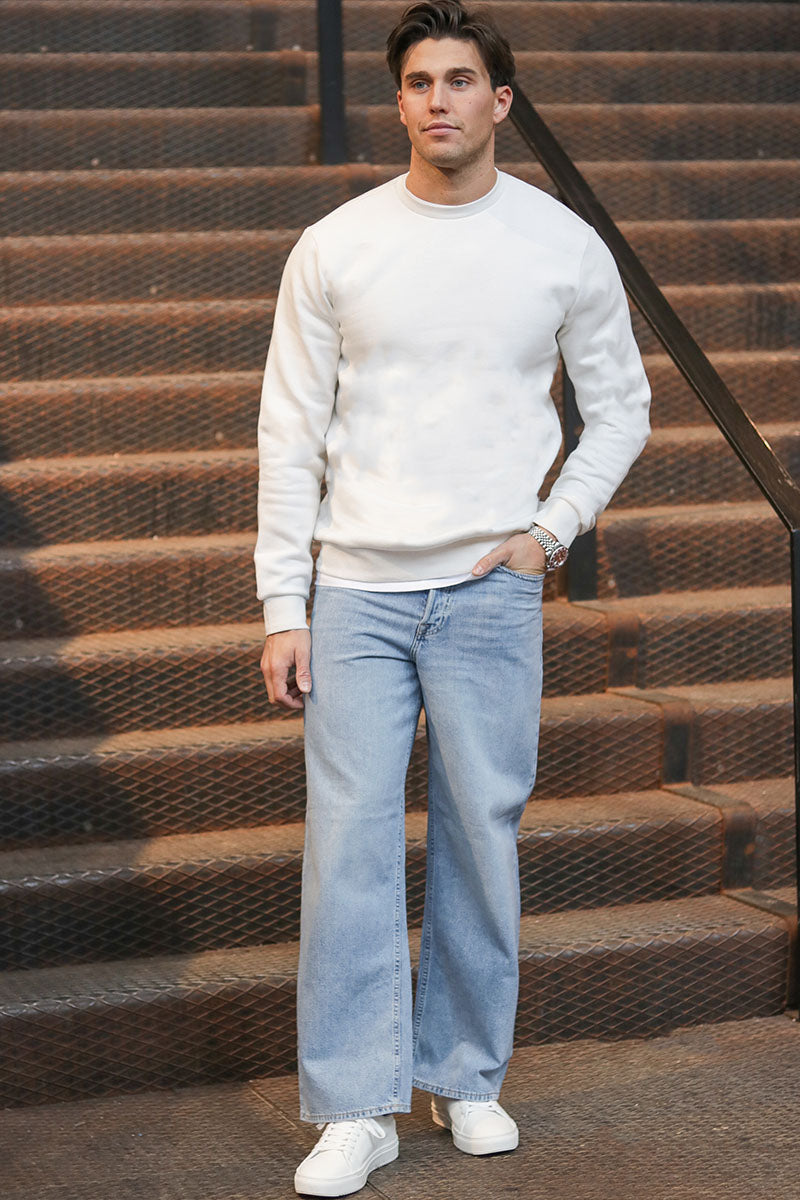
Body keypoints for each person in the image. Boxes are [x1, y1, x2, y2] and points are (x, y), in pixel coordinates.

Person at [255, 1, 650, 1194]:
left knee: (480, 836)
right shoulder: (336, 245)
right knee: (349, 850)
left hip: (487, 591)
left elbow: (619, 408)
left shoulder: (559, 245)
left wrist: (547, 534)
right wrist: (283, 603)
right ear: (399, 102)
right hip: (356, 592)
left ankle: (464, 1075)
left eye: (460, 79)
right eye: (419, 81)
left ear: (499, 101)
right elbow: (288, 434)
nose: (438, 99)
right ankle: (355, 1106)